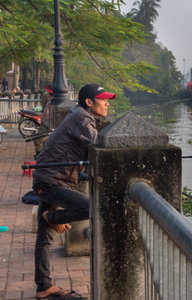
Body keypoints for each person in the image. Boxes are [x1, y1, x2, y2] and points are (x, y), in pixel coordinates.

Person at [32, 84, 116, 299]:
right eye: (103, 99)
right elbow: (100, 145)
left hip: (50, 179)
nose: (107, 103)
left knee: (44, 238)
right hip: (53, 181)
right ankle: (52, 216)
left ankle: (43, 287)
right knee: (92, 206)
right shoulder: (81, 117)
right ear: (89, 102)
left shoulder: (81, 116)